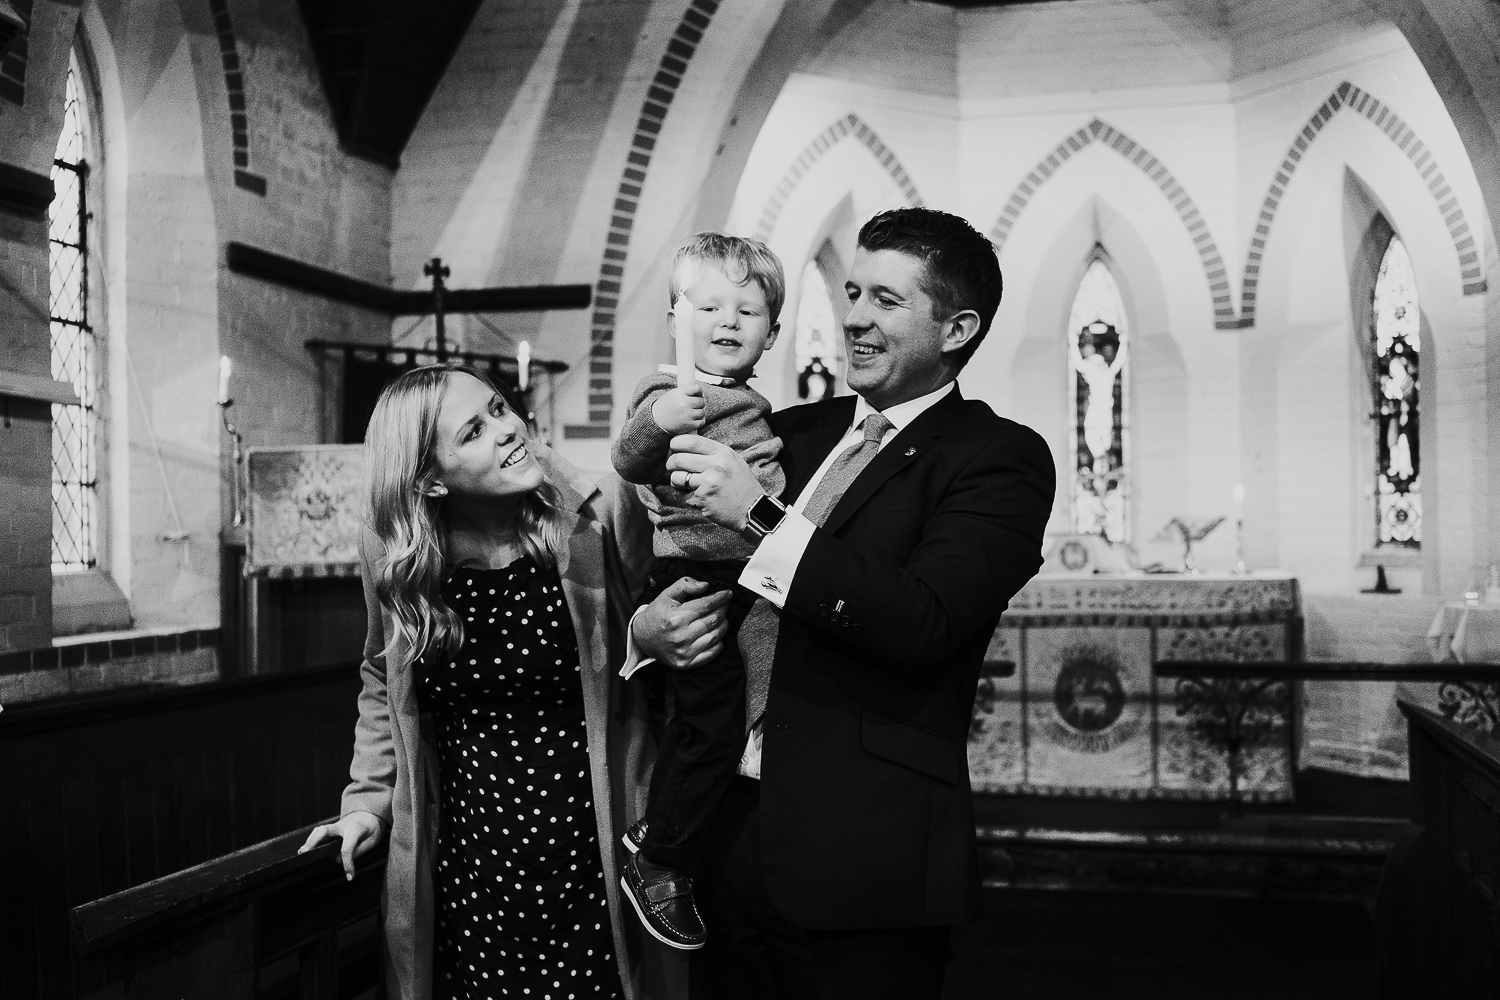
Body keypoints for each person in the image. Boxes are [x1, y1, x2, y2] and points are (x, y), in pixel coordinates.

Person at [636, 207, 1056, 998]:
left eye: (887, 301)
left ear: (958, 327)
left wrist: (758, 519)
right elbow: (677, 555)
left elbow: (923, 621)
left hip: (864, 857)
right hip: (720, 834)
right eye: (852, 292)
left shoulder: (997, 459)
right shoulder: (779, 430)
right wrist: (644, 631)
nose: (854, 316)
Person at [299, 363, 716, 1000]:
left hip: (592, 846)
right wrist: (364, 804)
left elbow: (663, 620)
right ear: (430, 480)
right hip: (475, 866)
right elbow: (382, 680)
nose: (506, 429)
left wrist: (645, 635)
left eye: (498, 408)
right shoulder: (399, 554)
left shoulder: (588, 519)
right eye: (473, 431)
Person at [610, 233, 786, 951]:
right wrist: (662, 420)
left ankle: (665, 826)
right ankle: (662, 861)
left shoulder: (749, 399)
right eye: (709, 304)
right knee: (709, 724)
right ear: (676, 317)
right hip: (698, 576)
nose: (729, 319)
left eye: (749, 309)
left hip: (750, 575)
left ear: (772, 333)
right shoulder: (672, 392)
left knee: (738, 704)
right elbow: (628, 457)